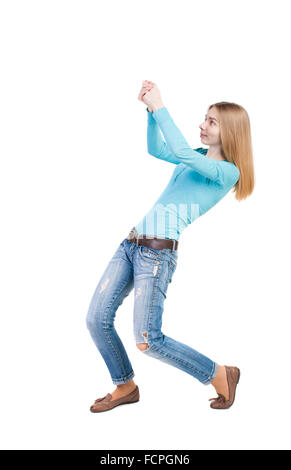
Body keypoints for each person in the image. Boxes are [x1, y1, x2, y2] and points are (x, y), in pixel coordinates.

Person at [86, 80, 255, 412]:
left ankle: (219, 373)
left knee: (148, 340)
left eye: (211, 122)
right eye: (204, 118)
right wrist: (151, 113)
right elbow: (159, 150)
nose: (202, 125)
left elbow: (176, 150)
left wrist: (161, 104)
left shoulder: (226, 172)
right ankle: (125, 385)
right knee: (96, 318)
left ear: (230, 131)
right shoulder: (196, 155)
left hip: (157, 255)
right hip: (131, 244)